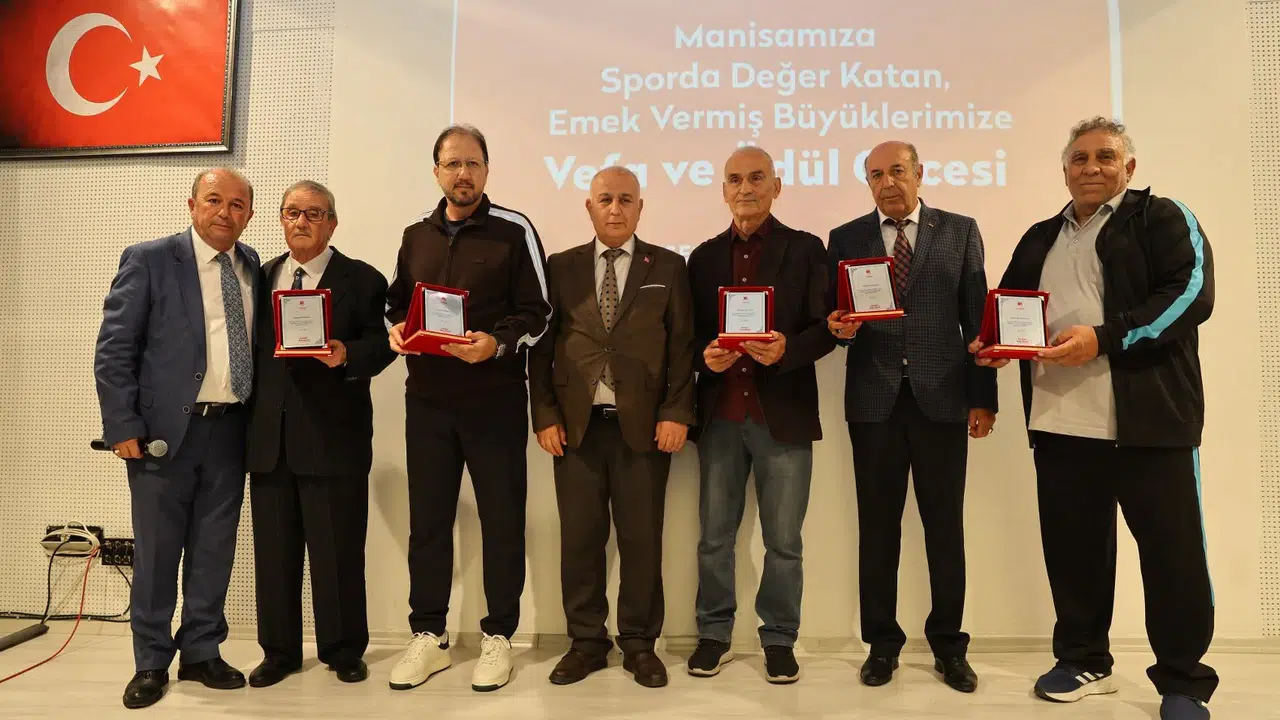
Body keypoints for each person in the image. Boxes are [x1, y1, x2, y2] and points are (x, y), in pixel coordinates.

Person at [972, 117, 1217, 720]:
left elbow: (1191, 294)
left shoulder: (1161, 218)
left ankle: (1183, 681)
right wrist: (993, 346)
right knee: (1074, 553)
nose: (1091, 168)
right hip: (1060, 425)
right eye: (1079, 159)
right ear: (1064, 171)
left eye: (1105, 157)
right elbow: (1008, 309)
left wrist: (1104, 339)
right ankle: (1084, 660)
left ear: (1128, 167)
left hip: (1151, 425)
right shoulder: (1040, 236)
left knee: (1173, 557)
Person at [385, 124, 551, 693]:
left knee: (501, 520)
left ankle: (498, 635)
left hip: (494, 402)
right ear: (436, 171)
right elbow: (395, 303)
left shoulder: (514, 230)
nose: (463, 173)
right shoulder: (415, 235)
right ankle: (428, 635)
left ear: (486, 170)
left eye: (473, 163)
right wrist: (395, 330)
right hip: (428, 403)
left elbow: (540, 313)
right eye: (453, 163)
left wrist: (496, 344)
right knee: (428, 521)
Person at [826, 141, 995, 693]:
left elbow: (977, 319)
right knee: (878, 529)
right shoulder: (845, 238)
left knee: (945, 529)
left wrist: (984, 398)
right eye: (876, 174)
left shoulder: (960, 231)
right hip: (873, 401)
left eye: (897, 171)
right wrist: (838, 328)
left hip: (942, 399)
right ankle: (881, 645)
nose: (888, 182)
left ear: (919, 174)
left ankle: (949, 646)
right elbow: (837, 317)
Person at [95, 168, 260, 709]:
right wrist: (122, 425)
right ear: (192, 205)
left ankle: (202, 651)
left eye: (237, 205)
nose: (225, 212)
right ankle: (150, 661)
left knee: (214, 549)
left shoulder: (251, 265)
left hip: (230, 430)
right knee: (158, 552)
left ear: (249, 215)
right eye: (214, 200)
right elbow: (115, 349)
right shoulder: (150, 260)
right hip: (162, 436)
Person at [529, 166, 695, 689]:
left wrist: (676, 411)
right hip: (575, 429)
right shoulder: (560, 267)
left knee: (642, 540)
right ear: (590, 207)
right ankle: (586, 643)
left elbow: (682, 346)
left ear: (640, 207)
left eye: (626, 199)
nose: (616, 208)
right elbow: (542, 346)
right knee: (580, 540)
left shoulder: (668, 266)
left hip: (644, 427)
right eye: (606, 199)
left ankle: (640, 644)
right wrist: (544, 415)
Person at [684, 146, 835, 684]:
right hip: (720, 417)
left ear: (777, 185)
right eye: (734, 179)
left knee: (784, 542)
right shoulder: (702, 258)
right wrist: (703, 356)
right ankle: (714, 633)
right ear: (723, 190)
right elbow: (686, 336)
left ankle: (779, 638)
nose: (745, 188)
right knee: (714, 538)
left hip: (783, 417)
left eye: (756, 178)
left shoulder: (806, 249)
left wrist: (788, 350)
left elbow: (827, 329)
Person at [244, 181, 397, 688]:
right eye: (293, 212)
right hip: (270, 442)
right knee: (274, 558)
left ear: (332, 222)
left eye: (314, 213)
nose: (302, 222)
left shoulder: (364, 279)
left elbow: (385, 345)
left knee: (338, 556)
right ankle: (279, 652)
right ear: (281, 220)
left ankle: (343, 649)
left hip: (335, 441)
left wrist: (347, 353)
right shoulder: (259, 277)